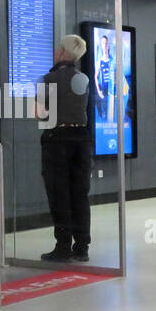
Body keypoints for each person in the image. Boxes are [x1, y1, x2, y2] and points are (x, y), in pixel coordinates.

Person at [37, 34, 92, 262]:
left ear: (60, 52)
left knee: (59, 192)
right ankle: (82, 246)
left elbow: (40, 114)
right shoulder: (84, 79)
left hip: (57, 137)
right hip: (81, 137)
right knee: (80, 193)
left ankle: (62, 245)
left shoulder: (47, 79)